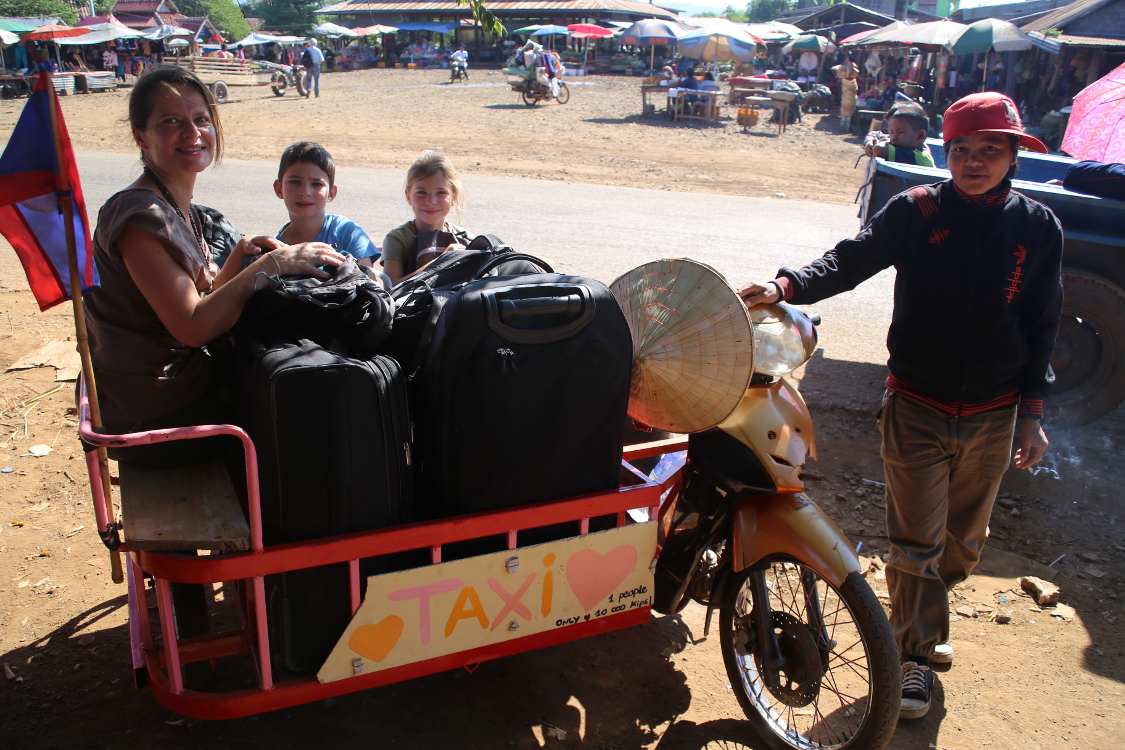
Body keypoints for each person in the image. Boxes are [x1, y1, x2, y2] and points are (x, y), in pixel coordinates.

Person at [739, 91, 1063, 721]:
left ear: (1013, 154)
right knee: (915, 544)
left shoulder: (1036, 227)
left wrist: (1033, 412)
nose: (974, 162)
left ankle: (921, 613)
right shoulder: (916, 212)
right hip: (916, 404)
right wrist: (784, 286)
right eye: (963, 150)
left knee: (963, 545)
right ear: (948, 154)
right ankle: (915, 656)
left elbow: (1042, 320)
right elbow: (851, 259)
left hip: (995, 414)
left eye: (989, 150)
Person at [83, 65, 344, 467]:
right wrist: (273, 264)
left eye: (201, 119)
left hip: (174, 392)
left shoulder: (177, 206)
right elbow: (192, 326)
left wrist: (241, 254)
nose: (192, 132)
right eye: (171, 121)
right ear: (141, 135)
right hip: (163, 411)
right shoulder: (138, 216)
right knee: (317, 406)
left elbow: (197, 299)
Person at [273, 141, 380, 267]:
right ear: (279, 189)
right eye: (295, 182)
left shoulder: (347, 232)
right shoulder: (274, 250)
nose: (305, 192)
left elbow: (370, 282)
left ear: (331, 193)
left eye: (316, 184)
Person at [380, 150, 471, 285]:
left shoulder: (464, 237)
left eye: (441, 193)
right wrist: (441, 261)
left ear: (454, 197)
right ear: (408, 196)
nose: (431, 201)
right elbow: (390, 287)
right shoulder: (398, 238)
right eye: (421, 192)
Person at [864, 102, 935, 167]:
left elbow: (879, 148)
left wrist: (884, 141)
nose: (893, 137)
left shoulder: (919, 156)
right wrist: (869, 142)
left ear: (920, 135)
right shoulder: (905, 144)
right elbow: (875, 134)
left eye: (901, 131)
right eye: (891, 131)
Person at [834, 61, 858, 133]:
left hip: (846, 100)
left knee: (845, 115)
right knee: (848, 114)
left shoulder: (847, 82)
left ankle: (843, 128)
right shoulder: (853, 82)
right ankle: (846, 129)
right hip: (851, 100)